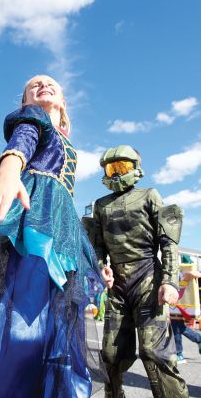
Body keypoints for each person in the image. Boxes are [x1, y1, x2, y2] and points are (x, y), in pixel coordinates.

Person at [0, 75, 102, 397]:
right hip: (31, 209)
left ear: (64, 102)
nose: (42, 85)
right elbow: (23, 139)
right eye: (33, 85)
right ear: (25, 101)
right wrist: (9, 171)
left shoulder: (66, 140)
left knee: (54, 319)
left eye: (50, 83)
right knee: (21, 310)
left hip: (60, 219)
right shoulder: (34, 117)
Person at [92, 145, 189, 398]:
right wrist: (102, 267)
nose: (116, 173)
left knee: (152, 351)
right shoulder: (100, 205)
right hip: (118, 286)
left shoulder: (150, 196)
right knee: (111, 354)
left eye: (122, 167)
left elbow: (168, 243)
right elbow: (98, 246)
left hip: (148, 279)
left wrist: (169, 281)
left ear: (136, 168)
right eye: (112, 168)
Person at [170, 269, 201, 364]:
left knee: (176, 329)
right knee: (179, 328)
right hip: (174, 307)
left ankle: (179, 354)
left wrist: (185, 273)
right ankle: (198, 339)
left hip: (178, 307)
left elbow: (195, 273)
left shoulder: (180, 274)